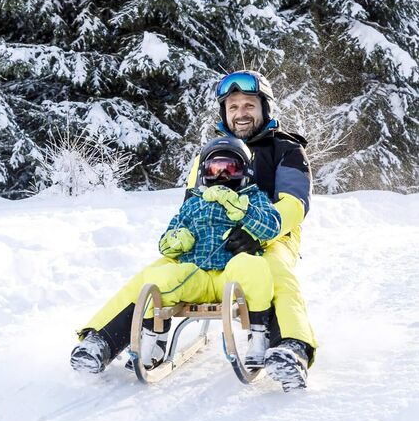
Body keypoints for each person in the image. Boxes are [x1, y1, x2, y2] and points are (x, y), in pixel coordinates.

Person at [70, 137, 281, 376]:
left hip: (231, 276)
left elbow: (273, 226)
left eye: (230, 169)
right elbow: (166, 240)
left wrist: (243, 209)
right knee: (160, 278)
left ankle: (259, 337)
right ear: (205, 173)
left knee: (254, 267)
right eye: (215, 169)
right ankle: (155, 339)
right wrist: (176, 240)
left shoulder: (254, 198)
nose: (222, 176)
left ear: (244, 172)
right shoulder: (193, 204)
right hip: (196, 275)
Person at [185, 69, 317, 391]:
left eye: (248, 106)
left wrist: (258, 232)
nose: (240, 113)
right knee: (166, 270)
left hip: (275, 235)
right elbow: (190, 201)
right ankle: (111, 338)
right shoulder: (211, 153)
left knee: (275, 272)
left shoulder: (286, 149)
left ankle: (293, 348)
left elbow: (294, 204)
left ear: (264, 109)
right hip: (216, 237)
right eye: (233, 107)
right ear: (224, 113)